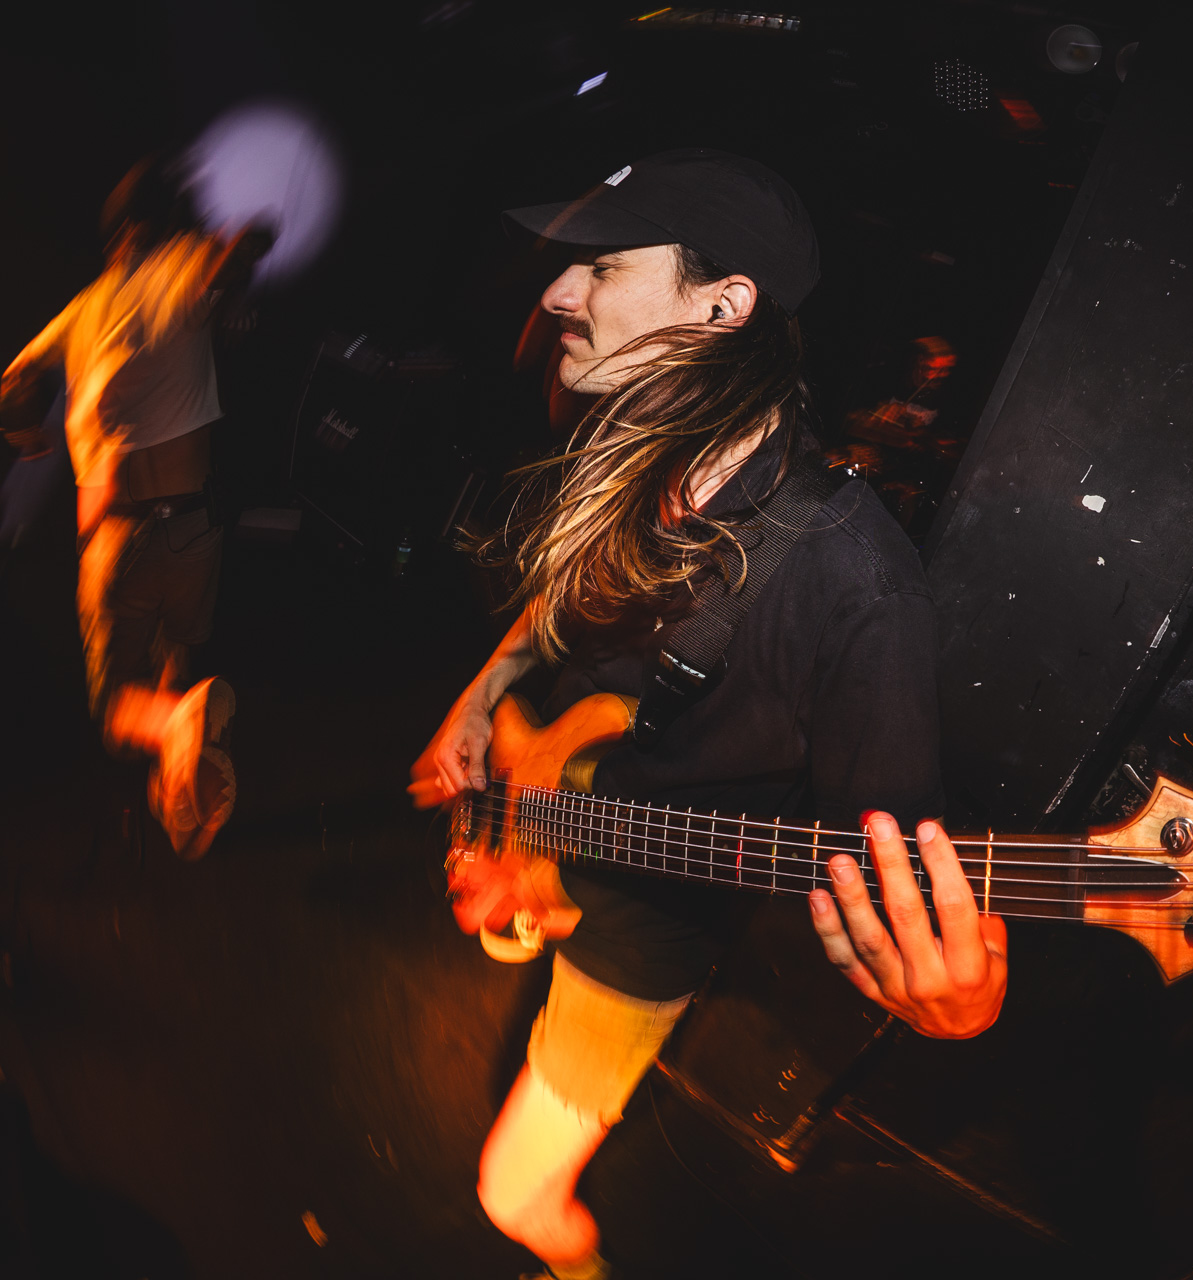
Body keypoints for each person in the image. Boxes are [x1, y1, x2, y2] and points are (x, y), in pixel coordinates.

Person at [409, 150, 1007, 1280]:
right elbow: (563, 604)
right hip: (563, 824)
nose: (558, 293)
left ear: (725, 306)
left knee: (513, 1195)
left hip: (645, 928)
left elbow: (910, 883)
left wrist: (960, 1002)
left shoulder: (854, 583)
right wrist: (479, 700)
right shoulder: (639, 449)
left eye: (602, 266)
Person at [0, 158, 269, 858]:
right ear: (164, 224)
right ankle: (177, 787)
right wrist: (239, 267)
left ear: (116, 234)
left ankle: (174, 735)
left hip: (118, 537)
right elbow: (237, 251)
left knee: (118, 711)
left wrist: (27, 432)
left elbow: (15, 382)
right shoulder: (183, 265)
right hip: (195, 527)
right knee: (175, 665)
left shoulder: (84, 308)